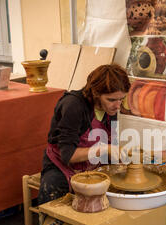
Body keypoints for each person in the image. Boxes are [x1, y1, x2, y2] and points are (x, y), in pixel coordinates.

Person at [37, 64, 131, 209]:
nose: (118, 106)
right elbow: (68, 156)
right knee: (53, 195)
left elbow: (111, 143)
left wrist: (122, 158)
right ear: (95, 93)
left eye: (121, 99)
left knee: (122, 185)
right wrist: (104, 149)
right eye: (111, 100)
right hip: (62, 164)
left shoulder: (111, 109)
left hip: (92, 164)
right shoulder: (73, 105)